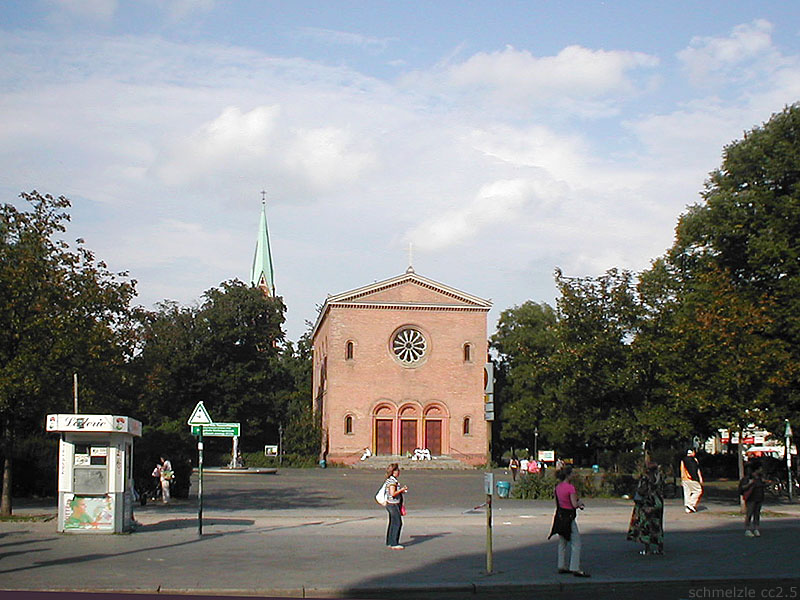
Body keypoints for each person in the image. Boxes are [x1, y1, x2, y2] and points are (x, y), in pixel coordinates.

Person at [548, 466, 590, 577]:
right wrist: (580, 503)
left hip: (560, 516)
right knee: (576, 543)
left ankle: (561, 565)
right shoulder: (570, 488)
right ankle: (574, 567)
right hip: (569, 517)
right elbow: (574, 504)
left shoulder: (558, 487)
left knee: (562, 542)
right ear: (568, 475)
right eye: (572, 474)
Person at [627, 461, 665, 555]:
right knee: (657, 526)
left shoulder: (645, 478)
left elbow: (641, 491)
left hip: (647, 502)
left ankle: (647, 549)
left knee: (646, 526)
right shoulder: (659, 477)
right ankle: (660, 548)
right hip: (657, 502)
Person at [382, 463, 408, 549]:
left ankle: (390, 541)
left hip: (391, 504)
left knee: (392, 523)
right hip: (393, 504)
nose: (399, 472)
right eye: (397, 470)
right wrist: (402, 490)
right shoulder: (392, 481)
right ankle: (394, 543)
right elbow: (392, 493)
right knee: (397, 523)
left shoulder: (391, 480)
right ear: (393, 472)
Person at [739, 463, 766, 537]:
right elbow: (742, 488)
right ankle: (747, 529)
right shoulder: (748, 478)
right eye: (760, 468)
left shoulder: (760, 478)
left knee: (757, 514)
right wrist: (750, 484)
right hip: (751, 498)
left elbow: (762, 486)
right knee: (749, 513)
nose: (761, 470)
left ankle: (756, 528)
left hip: (759, 497)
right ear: (756, 470)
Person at [680, 449, 703, 513]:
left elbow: (682, 470)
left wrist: (682, 479)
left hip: (685, 479)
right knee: (698, 490)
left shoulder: (683, 460)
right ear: (692, 453)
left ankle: (688, 508)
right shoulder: (694, 460)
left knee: (687, 493)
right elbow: (697, 469)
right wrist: (700, 478)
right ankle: (691, 504)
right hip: (692, 478)